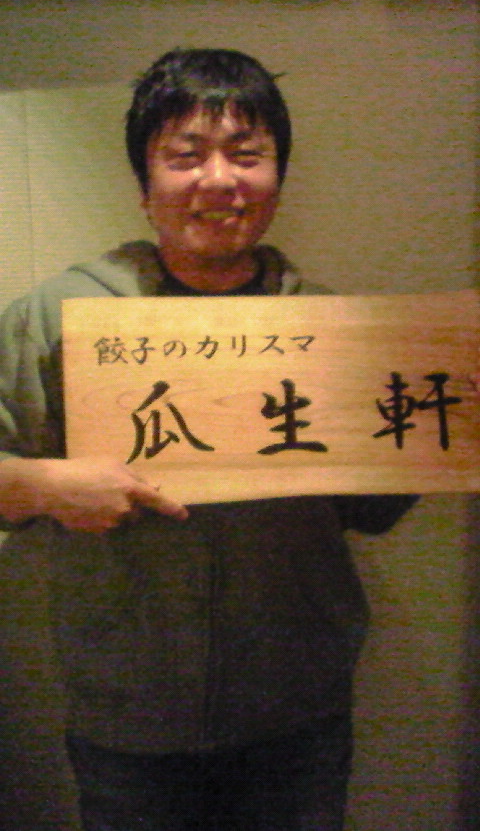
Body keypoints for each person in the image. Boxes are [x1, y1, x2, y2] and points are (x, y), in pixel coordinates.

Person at [0, 48, 417, 831]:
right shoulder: (58, 318)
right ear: (144, 183)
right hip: (129, 720)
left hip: (298, 717)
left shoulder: (333, 327)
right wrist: (45, 487)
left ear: (278, 177)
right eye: (186, 156)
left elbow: (374, 510)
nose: (220, 180)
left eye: (247, 155)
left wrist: (433, 420)